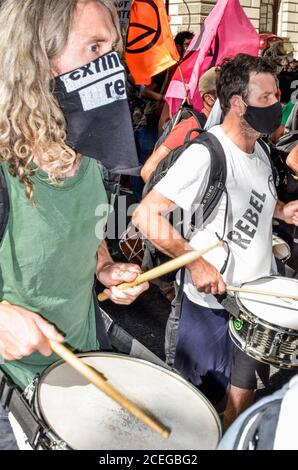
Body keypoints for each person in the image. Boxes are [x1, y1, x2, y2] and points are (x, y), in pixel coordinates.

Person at [0, 0, 149, 449]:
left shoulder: (91, 154)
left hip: (81, 359)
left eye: (113, 49)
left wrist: (104, 268)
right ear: (37, 59)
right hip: (13, 392)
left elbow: (86, 233)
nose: (112, 67)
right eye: (94, 47)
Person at [132, 53, 298, 413]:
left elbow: (256, 205)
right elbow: (147, 215)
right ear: (238, 104)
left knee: (240, 405)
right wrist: (195, 265)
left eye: (277, 97)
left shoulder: (261, 152)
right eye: (267, 97)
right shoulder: (206, 153)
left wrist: (284, 210)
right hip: (212, 307)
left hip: (256, 305)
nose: (277, 105)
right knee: (195, 410)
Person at [141, 67, 218, 183]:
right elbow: (148, 170)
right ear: (209, 98)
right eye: (228, 93)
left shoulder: (218, 128)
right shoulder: (191, 127)